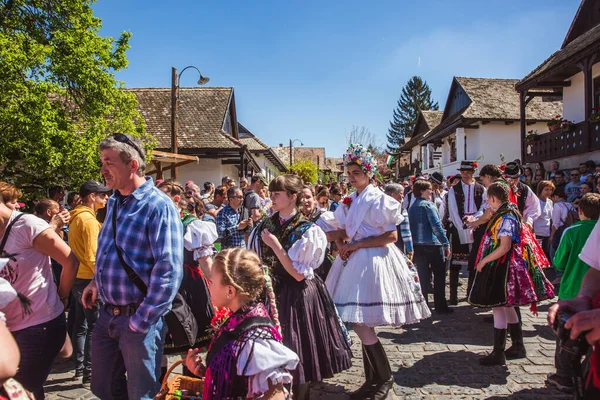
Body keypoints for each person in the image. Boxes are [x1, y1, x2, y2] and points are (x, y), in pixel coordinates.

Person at [82, 134, 183, 399]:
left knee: (141, 394)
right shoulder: (114, 201)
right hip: (107, 317)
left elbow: (169, 273)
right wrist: (95, 283)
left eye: (109, 162)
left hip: (138, 320)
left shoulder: (159, 206)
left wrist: (140, 321)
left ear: (133, 165)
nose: (103, 169)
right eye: (102, 161)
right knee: (103, 389)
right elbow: (108, 251)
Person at [325, 144, 430, 400]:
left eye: (356, 173)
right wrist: (341, 245)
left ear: (369, 174)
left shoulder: (380, 199)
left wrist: (357, 245)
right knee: (360, 321)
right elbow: (340, 230)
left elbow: (391, 236)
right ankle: (373, 378)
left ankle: (384, 378)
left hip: (373, 261)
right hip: (354, 261)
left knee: (361, 321)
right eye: (348, 173)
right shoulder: (351, 200)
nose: (350, 177)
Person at [249, 174, 352, 399]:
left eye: (277, 194)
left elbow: (297, 274)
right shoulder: (265, 225)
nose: (271, 198)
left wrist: (276, 247)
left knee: (298, 347)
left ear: (292, 197)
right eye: (272, 193)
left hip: (297, 295)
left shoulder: (308, 230)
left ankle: (300, 394)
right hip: (270, 292)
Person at [183, 248, 298, 400]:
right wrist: (206, 373)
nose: (208, 287)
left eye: (211, 282)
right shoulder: (237, 320)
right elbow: (240, 380)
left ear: (230, 291)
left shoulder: (255, 339)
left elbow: (275, 395)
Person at [0, 185, 79, 399]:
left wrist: (61, 297)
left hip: (36, 326)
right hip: (8, 327)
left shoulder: (27, 224)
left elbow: (70, 260)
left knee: (18, 388)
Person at [468, 182, 554, 366]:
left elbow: (505, 246)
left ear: (492, 198)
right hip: (507, 265)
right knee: (508, 306)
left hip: (504, 267)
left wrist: (484, 260)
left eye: (488, 200)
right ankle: (517, 345)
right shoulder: (510, 212)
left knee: (498, 305)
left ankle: (498, 352)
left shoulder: (506, 217)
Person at [547, 193, 600, 392]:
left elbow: (559, 261)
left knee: (566, 338)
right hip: (587, 295)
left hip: (570, 288)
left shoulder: (572, 231)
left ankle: (564, 375)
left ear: (580, 211)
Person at [157, 180, 216, 355]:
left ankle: (191, 381)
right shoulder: (155, 222)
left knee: (192, 343)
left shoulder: (192, 225)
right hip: (161, 286)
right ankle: (160, 383)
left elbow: (205, 261)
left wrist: (220, 286)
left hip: (188, 287)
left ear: (175, 200)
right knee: (159, 343)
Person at [68, 180, 111, 387]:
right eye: (102, 195)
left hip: (78, 276)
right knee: (95, 327)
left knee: (80, 326)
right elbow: (93, 255)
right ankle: (89, 373)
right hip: (87, 278)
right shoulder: (88, 220)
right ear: (92, 197)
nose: (106, 198)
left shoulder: (77, 216)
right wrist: (100, 279)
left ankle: (79, 369)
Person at [408, 180, 452, 314]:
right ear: (422, 191)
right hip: (433, 244)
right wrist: (446, 243)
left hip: (418, 245)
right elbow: (436, 226)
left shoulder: (412, 207)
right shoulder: (428, 205)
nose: (431, 191)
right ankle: (440, 306)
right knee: (439, 276)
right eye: (428, 189)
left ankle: (423, 306)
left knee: (422, 277)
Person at [446, 161, 486, 305]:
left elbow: (483, 207)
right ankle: (453, 296)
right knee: (456, 262)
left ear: (473, 172)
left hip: (476, 226)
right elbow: (453, 209)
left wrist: (475, 220)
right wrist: (461, 225)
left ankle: (471, 294)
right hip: (460, 227)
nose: (465, 174)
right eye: (463, 172)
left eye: (468, 172)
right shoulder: (454, 189)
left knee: (474, 262)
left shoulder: (481, 189)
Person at [384, 183, 413, 260]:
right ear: (393, 195)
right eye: (401, 193)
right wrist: (410, 249)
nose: (403, 196)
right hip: (397, 247)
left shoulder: (379, 209)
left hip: (380, 247)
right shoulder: (401, 211)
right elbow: (405, 232)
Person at [534, 180, 555, 260]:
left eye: (550, 190)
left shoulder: (550, 202)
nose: (548, 192)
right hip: (537, 232)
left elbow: (551, 217)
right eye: (546, 189)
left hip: (546, 233)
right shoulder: (535, 201)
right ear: (541, 190)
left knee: (545, 254)